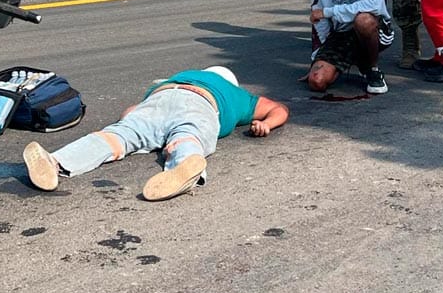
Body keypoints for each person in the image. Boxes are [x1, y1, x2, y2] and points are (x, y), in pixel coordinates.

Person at [22, 66, 289, 201]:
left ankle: (56, 161)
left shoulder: (177, 78)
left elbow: (130, 111)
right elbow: (279, 108)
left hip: (158, 101)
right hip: (201, 104)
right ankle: (183, 166)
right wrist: (266, 124)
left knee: (118, 135)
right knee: (187, 137)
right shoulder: (234, 93)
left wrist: (136, 128)